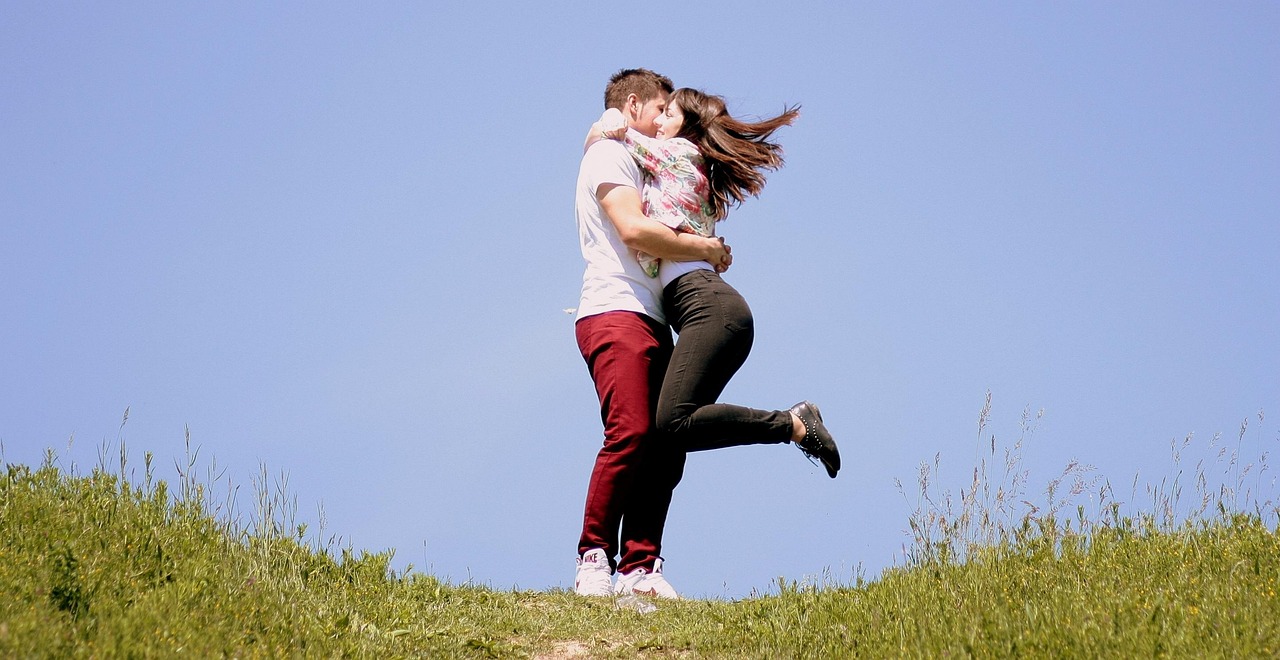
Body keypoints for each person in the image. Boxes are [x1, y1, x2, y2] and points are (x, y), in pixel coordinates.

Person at [587, 88, 842, 596]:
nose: (659, 121)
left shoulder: (677, 153)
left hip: (709, 308)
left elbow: (609, 139)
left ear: (685, 127)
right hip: (709, 310)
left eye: (669, 113)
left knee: (671, 422)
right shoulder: (687, 160)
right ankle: (639, 570)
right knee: (669, 432)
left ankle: (794, 424)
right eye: (656, 112)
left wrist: (610, 118)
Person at [571, 69, 732, 600]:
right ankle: (594, 556)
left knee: (666, 443)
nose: (665, 119)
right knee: (632, 433)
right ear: (634, 105)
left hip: (651, 315)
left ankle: (640, 567)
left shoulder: (639, 155)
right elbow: (634, 230)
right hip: (614, 309)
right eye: (659, 108)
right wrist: (707, 251)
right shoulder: (609, 153)